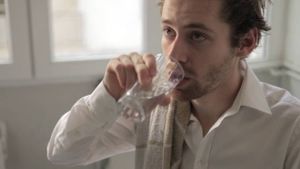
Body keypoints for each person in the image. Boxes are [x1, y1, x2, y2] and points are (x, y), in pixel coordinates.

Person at [47, 0, 300, 168]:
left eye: (197, 35)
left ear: (246, 42)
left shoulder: (289, 128)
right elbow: (63, 152)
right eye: (169, 31)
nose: (174, 54)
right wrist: (108, 94)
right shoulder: (150, 105)